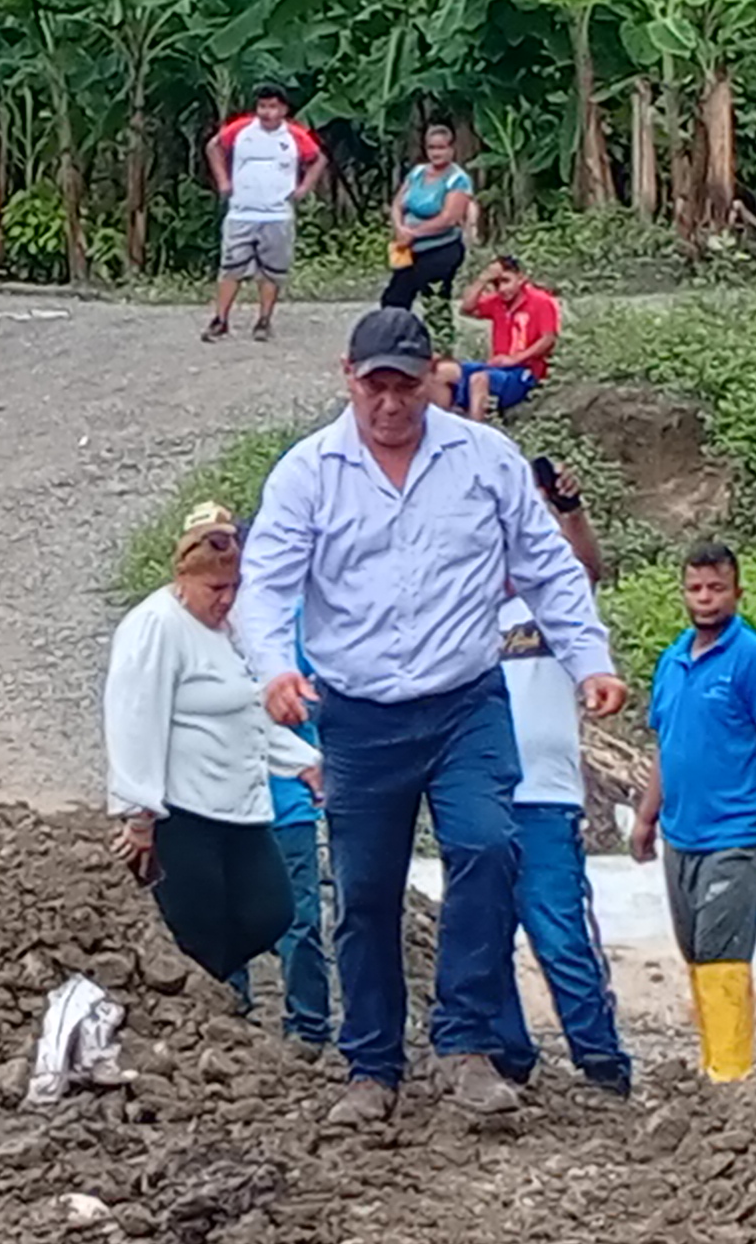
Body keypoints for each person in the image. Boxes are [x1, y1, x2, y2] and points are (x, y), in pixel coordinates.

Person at [234, 307, 624, 1125]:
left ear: (431, 380)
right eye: (374, 386)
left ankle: (467, 1044)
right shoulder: (308, 473)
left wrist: (590, 659)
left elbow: (548, 567)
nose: (390, 404)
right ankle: (371, 1065)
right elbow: (265, 586)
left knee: (487, 846)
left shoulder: (484, 460)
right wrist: (274, 670)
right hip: (360, 714)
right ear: (348, 377)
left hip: (464, 703)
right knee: (366, 891)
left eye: (405, 387)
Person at [103, 500, 319, 1008]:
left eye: (234, 588)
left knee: (272, 912)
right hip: (184, 811)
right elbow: (134, 720)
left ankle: (217, 1004)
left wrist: (302, 762)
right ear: (184, 578)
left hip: (241, 807)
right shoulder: (156, 626)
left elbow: (248, 711)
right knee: (199, 932)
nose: (226, 600)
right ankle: (207, 1016)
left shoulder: (233, 630)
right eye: (215, 588)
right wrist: (140, 814)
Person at [485, 457, 632, 1096]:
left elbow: (584, 570)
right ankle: (507, 1055)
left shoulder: (549, 606)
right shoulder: (466, 615)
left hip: (545, 795)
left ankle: (601, 1061)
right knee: (485, 935)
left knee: (559, 932)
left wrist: (571, 511)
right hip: (482, 795)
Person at [627, 539, 756, 1084]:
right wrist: (647, 817)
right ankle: (710, 1067)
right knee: (696, 951)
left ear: (737, 592)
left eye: (716, 588)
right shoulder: (672, 660)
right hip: (682, 832)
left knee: (724, 951)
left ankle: (731, 1075)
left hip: (735, 830)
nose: (705, 598)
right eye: (695, 588)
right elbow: (666, 746)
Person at [201, 86, 323, 343]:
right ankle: (220, 319)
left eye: (273, 107)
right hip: (241, 212)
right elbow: (214, 146)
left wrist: (304, 188)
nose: (267, 113)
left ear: (283, 110)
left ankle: (264, 320)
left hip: (277, 214)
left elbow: (318, 159)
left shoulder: (294, 136)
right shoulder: (242, 129)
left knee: (271, 270)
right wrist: (223, 181)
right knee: (231, 268)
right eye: (262, 107)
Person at [435, 251, 561, 418]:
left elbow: (548, 339)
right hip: (497, 367)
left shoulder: (541, 301)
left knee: (479, 379)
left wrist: (515, 359)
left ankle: (475, 429)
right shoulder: (498, 302)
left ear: (521, 278)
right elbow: (466, 308)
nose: (502, 289)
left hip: (525, 372)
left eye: (506, 281)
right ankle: (441, 422)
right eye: (496, 283)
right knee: (443, 370)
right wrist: (483, 279)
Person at [267, 747, 333, 1054]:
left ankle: (309, 1026)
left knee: (301, 921)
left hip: (289, 812)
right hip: (232, 811)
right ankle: (231, 1011)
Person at [384, 121, 477, 318]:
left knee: (435, 302)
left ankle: (441, 336)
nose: (436, 153)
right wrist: (400, 228)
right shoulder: (417, 173)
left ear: (451, 149)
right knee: (393, 299)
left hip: (441, 249)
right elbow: (398, 204)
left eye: (441, 148)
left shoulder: (457, 179)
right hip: (409, 249)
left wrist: (414, 233)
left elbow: (449, 218)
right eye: (431, 148)